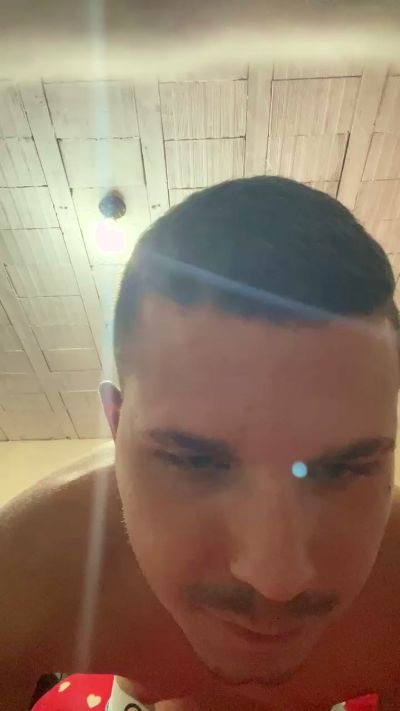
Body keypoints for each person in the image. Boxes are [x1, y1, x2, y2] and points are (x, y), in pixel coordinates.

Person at [1, 177, 399, 711]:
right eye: (195, 462)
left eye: (345, 468)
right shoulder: (23, 575)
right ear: (116, 428)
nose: (275, 581)